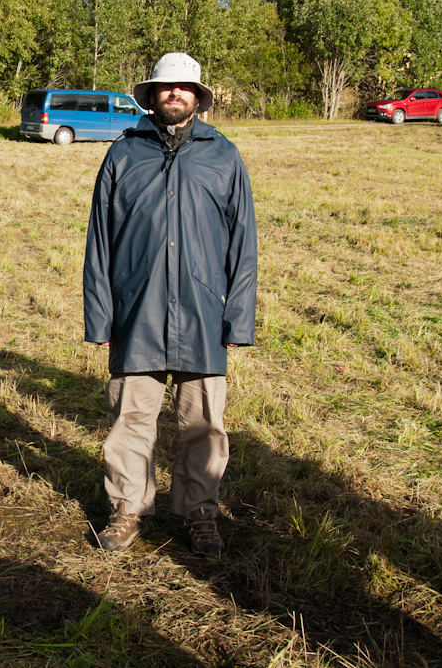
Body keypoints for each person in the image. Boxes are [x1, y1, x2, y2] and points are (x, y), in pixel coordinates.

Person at [83, 52, 257, 556]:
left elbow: (242, 243)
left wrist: (237, 317)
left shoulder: (223, 155)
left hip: (203, 313)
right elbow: (100, 241)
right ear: (152, 95)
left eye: (184, 88)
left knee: (202, 422)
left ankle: (200, 513)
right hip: (136, 311)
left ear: (197, 96)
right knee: (130, 418)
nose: (174, 94)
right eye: (166, 87)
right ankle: (127, 509)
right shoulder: (123, 155)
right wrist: (101, 315)